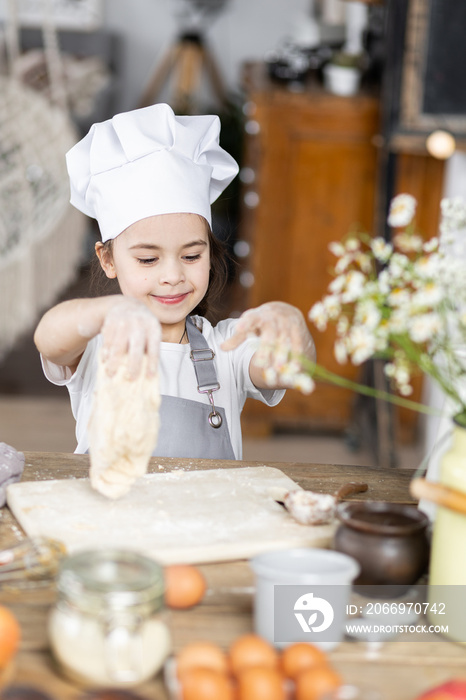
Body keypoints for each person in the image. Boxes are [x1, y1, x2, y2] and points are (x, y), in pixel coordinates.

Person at [34, 103, 316, 460]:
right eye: (148, 259)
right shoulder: (97, 347)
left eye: (191, 256)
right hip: (111, 515)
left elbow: (287, 369)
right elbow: (49, 340)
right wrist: (106, 311)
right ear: (108, 260)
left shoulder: (228, 347)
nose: (172, 276)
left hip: (207, 514)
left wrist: (293, 329)